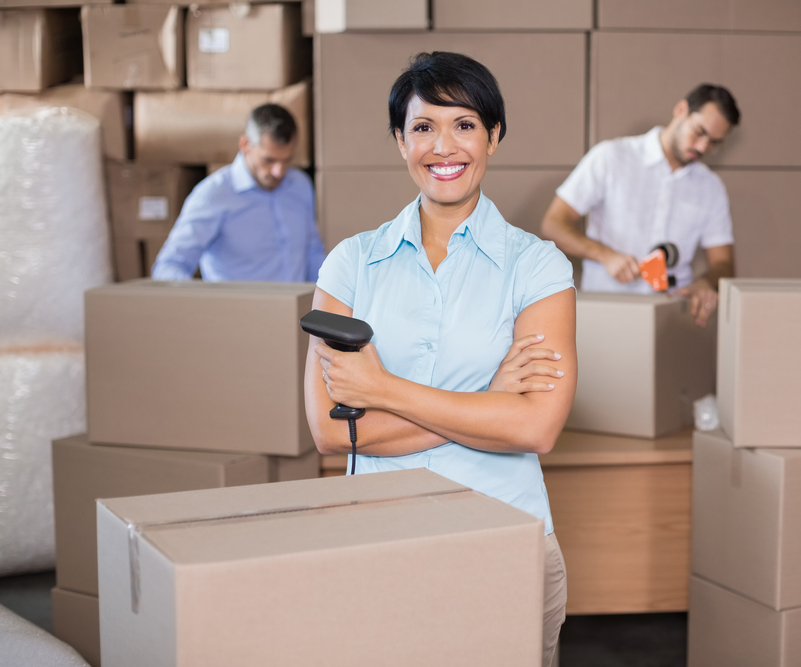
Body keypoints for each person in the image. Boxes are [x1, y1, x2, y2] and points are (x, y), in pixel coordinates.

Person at [304, 52, 575, 667]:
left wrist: (378, 388)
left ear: (494, 136)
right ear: (400, 141)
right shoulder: (350, 263)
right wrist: (490, 400)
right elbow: (329, 430)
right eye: (424, 127)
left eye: (466, 124)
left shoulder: (538, 266)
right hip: (379, 539)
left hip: (508, 539)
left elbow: (536, 427)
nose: (443, 146)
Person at [540, 84, 740, 327]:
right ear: (681, 110)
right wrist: (606, 256)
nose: (702, 147)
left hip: (673, 320)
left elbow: (723, 264)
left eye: (714, 143)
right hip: (605, 314)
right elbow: (553, 224)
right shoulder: (611, 156)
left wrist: (706, 282)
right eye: (699, 132)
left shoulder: (711, 187)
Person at [151, 103, 326, 282]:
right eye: (269, 160)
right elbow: (169, 266)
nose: (279, 172)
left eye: (287, 160)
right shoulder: (214, 195)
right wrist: (200, 305)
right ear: (245, 144)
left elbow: (312, 251)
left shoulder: (300, 184)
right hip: (236, 309)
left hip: (298, 309)